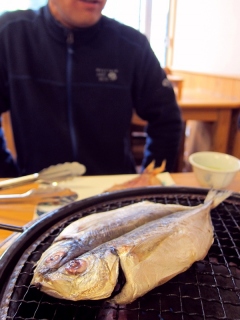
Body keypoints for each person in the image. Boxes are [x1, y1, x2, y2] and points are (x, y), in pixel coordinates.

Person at [0, 0, 183, 177]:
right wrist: (6, 175)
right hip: (36, 190)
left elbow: (167, 118)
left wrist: (150, 179)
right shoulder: (10, 34)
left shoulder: (132, 44)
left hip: (112, 191)